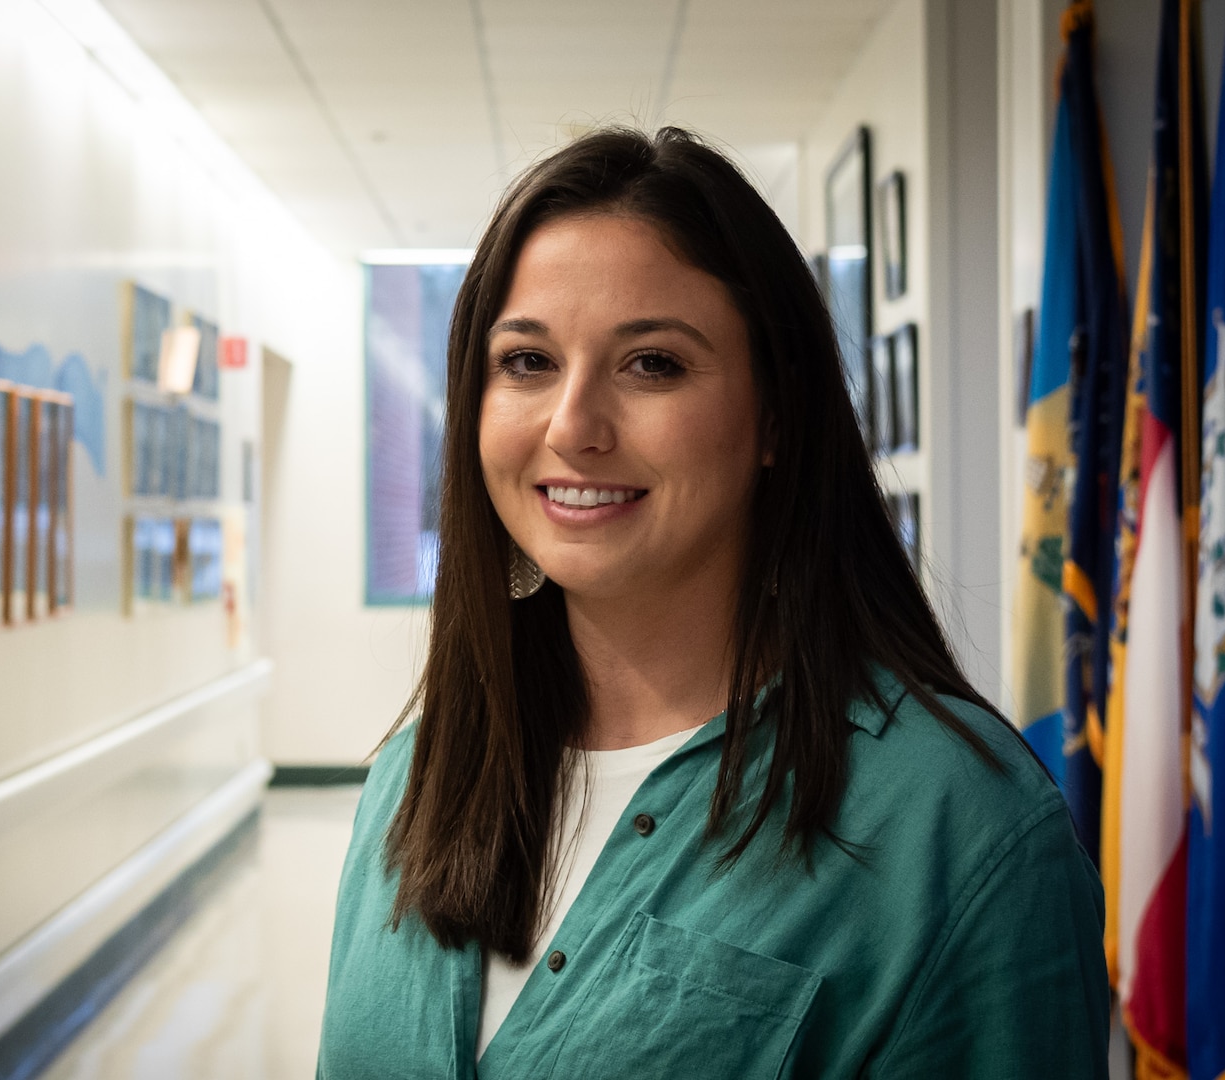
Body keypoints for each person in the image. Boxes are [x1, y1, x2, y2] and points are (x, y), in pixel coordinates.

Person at [317, 126, 1108, 1079]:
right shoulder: (412, 780)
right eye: (527, 362)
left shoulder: (960, 831)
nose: (572, 427)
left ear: (775, 416)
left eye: (652, 363)